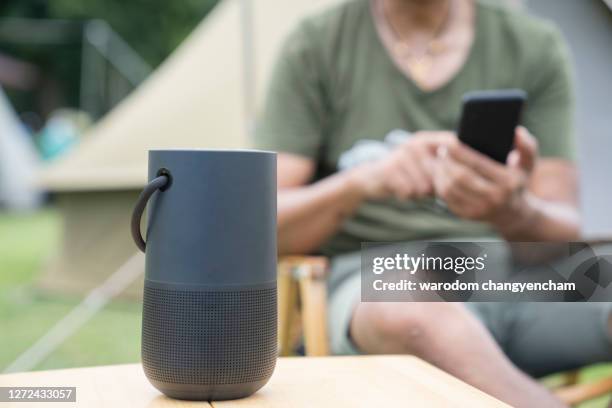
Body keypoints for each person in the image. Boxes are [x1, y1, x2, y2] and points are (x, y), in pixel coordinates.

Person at [254, 0, 612, 406]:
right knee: (406, 305)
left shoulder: (532, 44)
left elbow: (563, 227)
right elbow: (263, 224)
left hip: (515, 275)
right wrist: (362, 182)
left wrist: (511, 207)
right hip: (381, 270)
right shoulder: (317, 45)